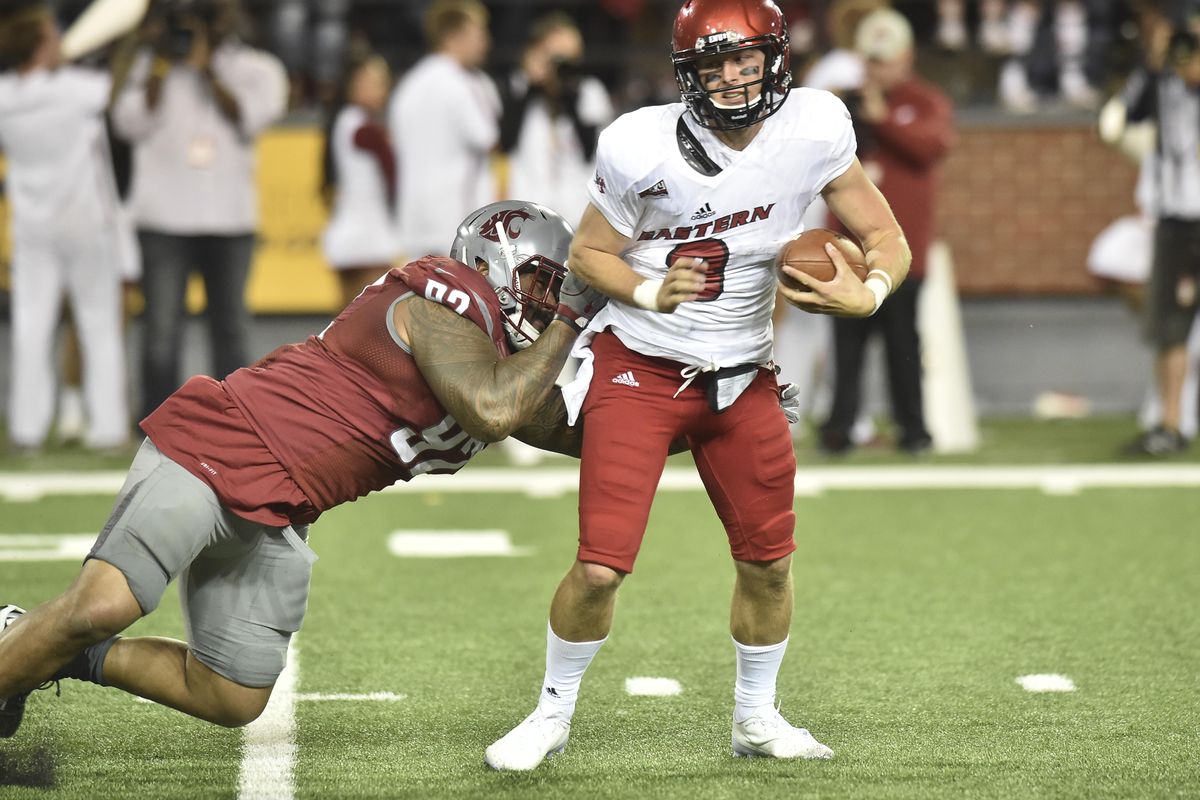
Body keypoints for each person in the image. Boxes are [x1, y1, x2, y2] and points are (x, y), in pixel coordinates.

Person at [485, 0, 910, 771]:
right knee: (599, 565)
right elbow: (588, 253)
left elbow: (886, 236)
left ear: (777, 57)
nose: (735, 78)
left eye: (747, 60)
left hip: (743, 372)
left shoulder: (815, 126)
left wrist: (871, 290)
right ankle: (551, 712)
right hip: (640, 363)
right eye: (715, 65)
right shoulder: (641, 143)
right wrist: (650, 292)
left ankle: (756, 717)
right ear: (688, 74)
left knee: (769, 561)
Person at [0, 200, 607, 739]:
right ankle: (33, 649)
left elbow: (591, 429)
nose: (549, 302)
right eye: (541, 282)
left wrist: (692, 400)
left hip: (280, 511)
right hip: (223, 446)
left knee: (230, 693)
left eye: (557, 291)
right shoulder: (441, 297)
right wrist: (570, 322)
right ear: (493, 260)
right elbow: (491, 410)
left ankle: (36, 643)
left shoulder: (496, 366)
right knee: (100, 607)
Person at [111, 0, 288, 420]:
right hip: (163, 219)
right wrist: (159, 63)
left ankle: (236, 422)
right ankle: (155, 423)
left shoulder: (257, 68)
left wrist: (208, 70)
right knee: (161, 330)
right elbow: (126, 123)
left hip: (230, 219)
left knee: (230, 327)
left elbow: (251, 118)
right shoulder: (149, 67)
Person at [819, 8, 954, 455]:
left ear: (907, 55)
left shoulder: (925, 99)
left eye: (886, 59)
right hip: (847, 246)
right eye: (872, 60)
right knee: (847, 346)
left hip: (901, 250)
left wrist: (884, 118)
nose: (878, 69)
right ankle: (839, 428)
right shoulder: (842, 104)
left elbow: (932, 145)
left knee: (903, 345)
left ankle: (913, 430)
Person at [0, 1, 130, 453]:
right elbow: (116, 78)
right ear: (39, 47)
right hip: (84, 224)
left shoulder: (5, 96)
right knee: (98, 324)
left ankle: (26, 429)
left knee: (31, 325)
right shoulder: (77, 89)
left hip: (33, 226)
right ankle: (108, 428)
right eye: (51, 36)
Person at [1116, 27, 1200, 456]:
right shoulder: (1161, 86)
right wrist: (1153, 63)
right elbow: (1120, 118)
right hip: (1178, 223)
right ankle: (1170, 423)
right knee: (1170, 326)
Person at [389, 0, 498, 261]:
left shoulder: (408, 86)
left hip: (413, 218)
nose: (486, 42)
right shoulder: (466, 83)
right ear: (452, 36)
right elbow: (489, 139)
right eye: (478, 33)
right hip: (457, 218)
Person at [498, 11, 614, 227]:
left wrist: (568, 96)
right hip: (526, 211)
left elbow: (590, 151)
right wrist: (532, 87)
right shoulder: (519, 88)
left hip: (576, 211)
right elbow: (505, 143)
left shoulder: (589, 91)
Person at [321, 47, 398, 309]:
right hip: (365, 235)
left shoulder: (345, 121)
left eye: (383, 83)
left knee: (350, 319)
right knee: (370, 318)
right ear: (352, 85)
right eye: (373, 82)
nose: (381, 89)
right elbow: (394, 171)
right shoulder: (362, 127)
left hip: (356, 230)